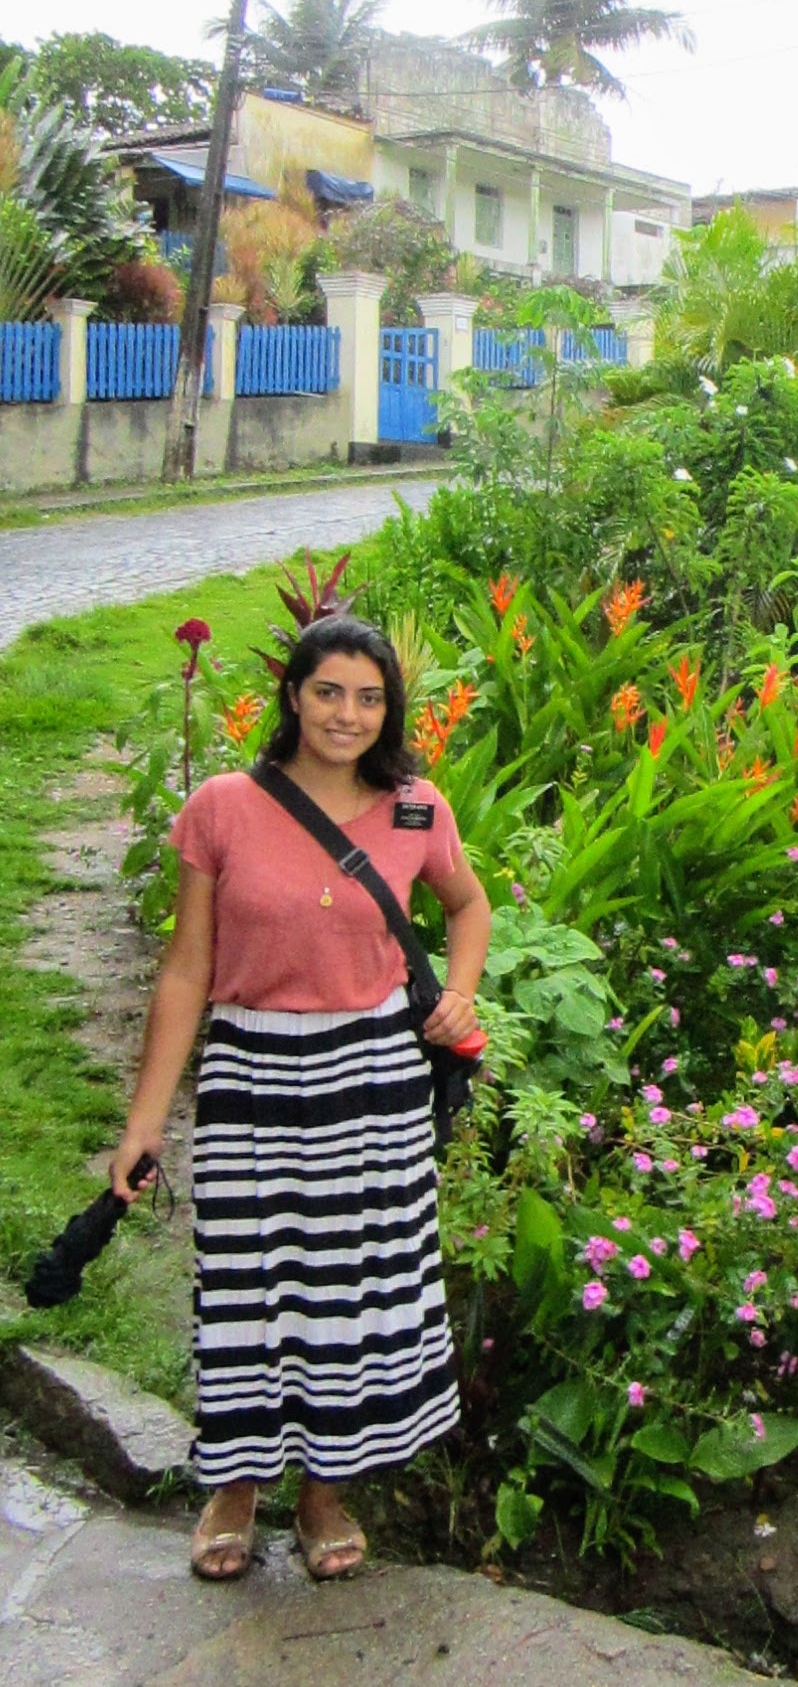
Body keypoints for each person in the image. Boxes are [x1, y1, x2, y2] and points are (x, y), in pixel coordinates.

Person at [110, 615, 491, 1583]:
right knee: (248, 1280)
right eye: (329, 690)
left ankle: (326, 1490)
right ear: (292, 693)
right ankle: (232, 1486)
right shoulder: (223, 807)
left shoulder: (416, 808)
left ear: (388, 707)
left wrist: (462, 989)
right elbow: (187, 968)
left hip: (373, 1080)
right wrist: (145, 1121)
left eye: (369, 696)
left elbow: (467, 903)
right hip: (253, 1070)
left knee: (351, 1290)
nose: (348, 713)